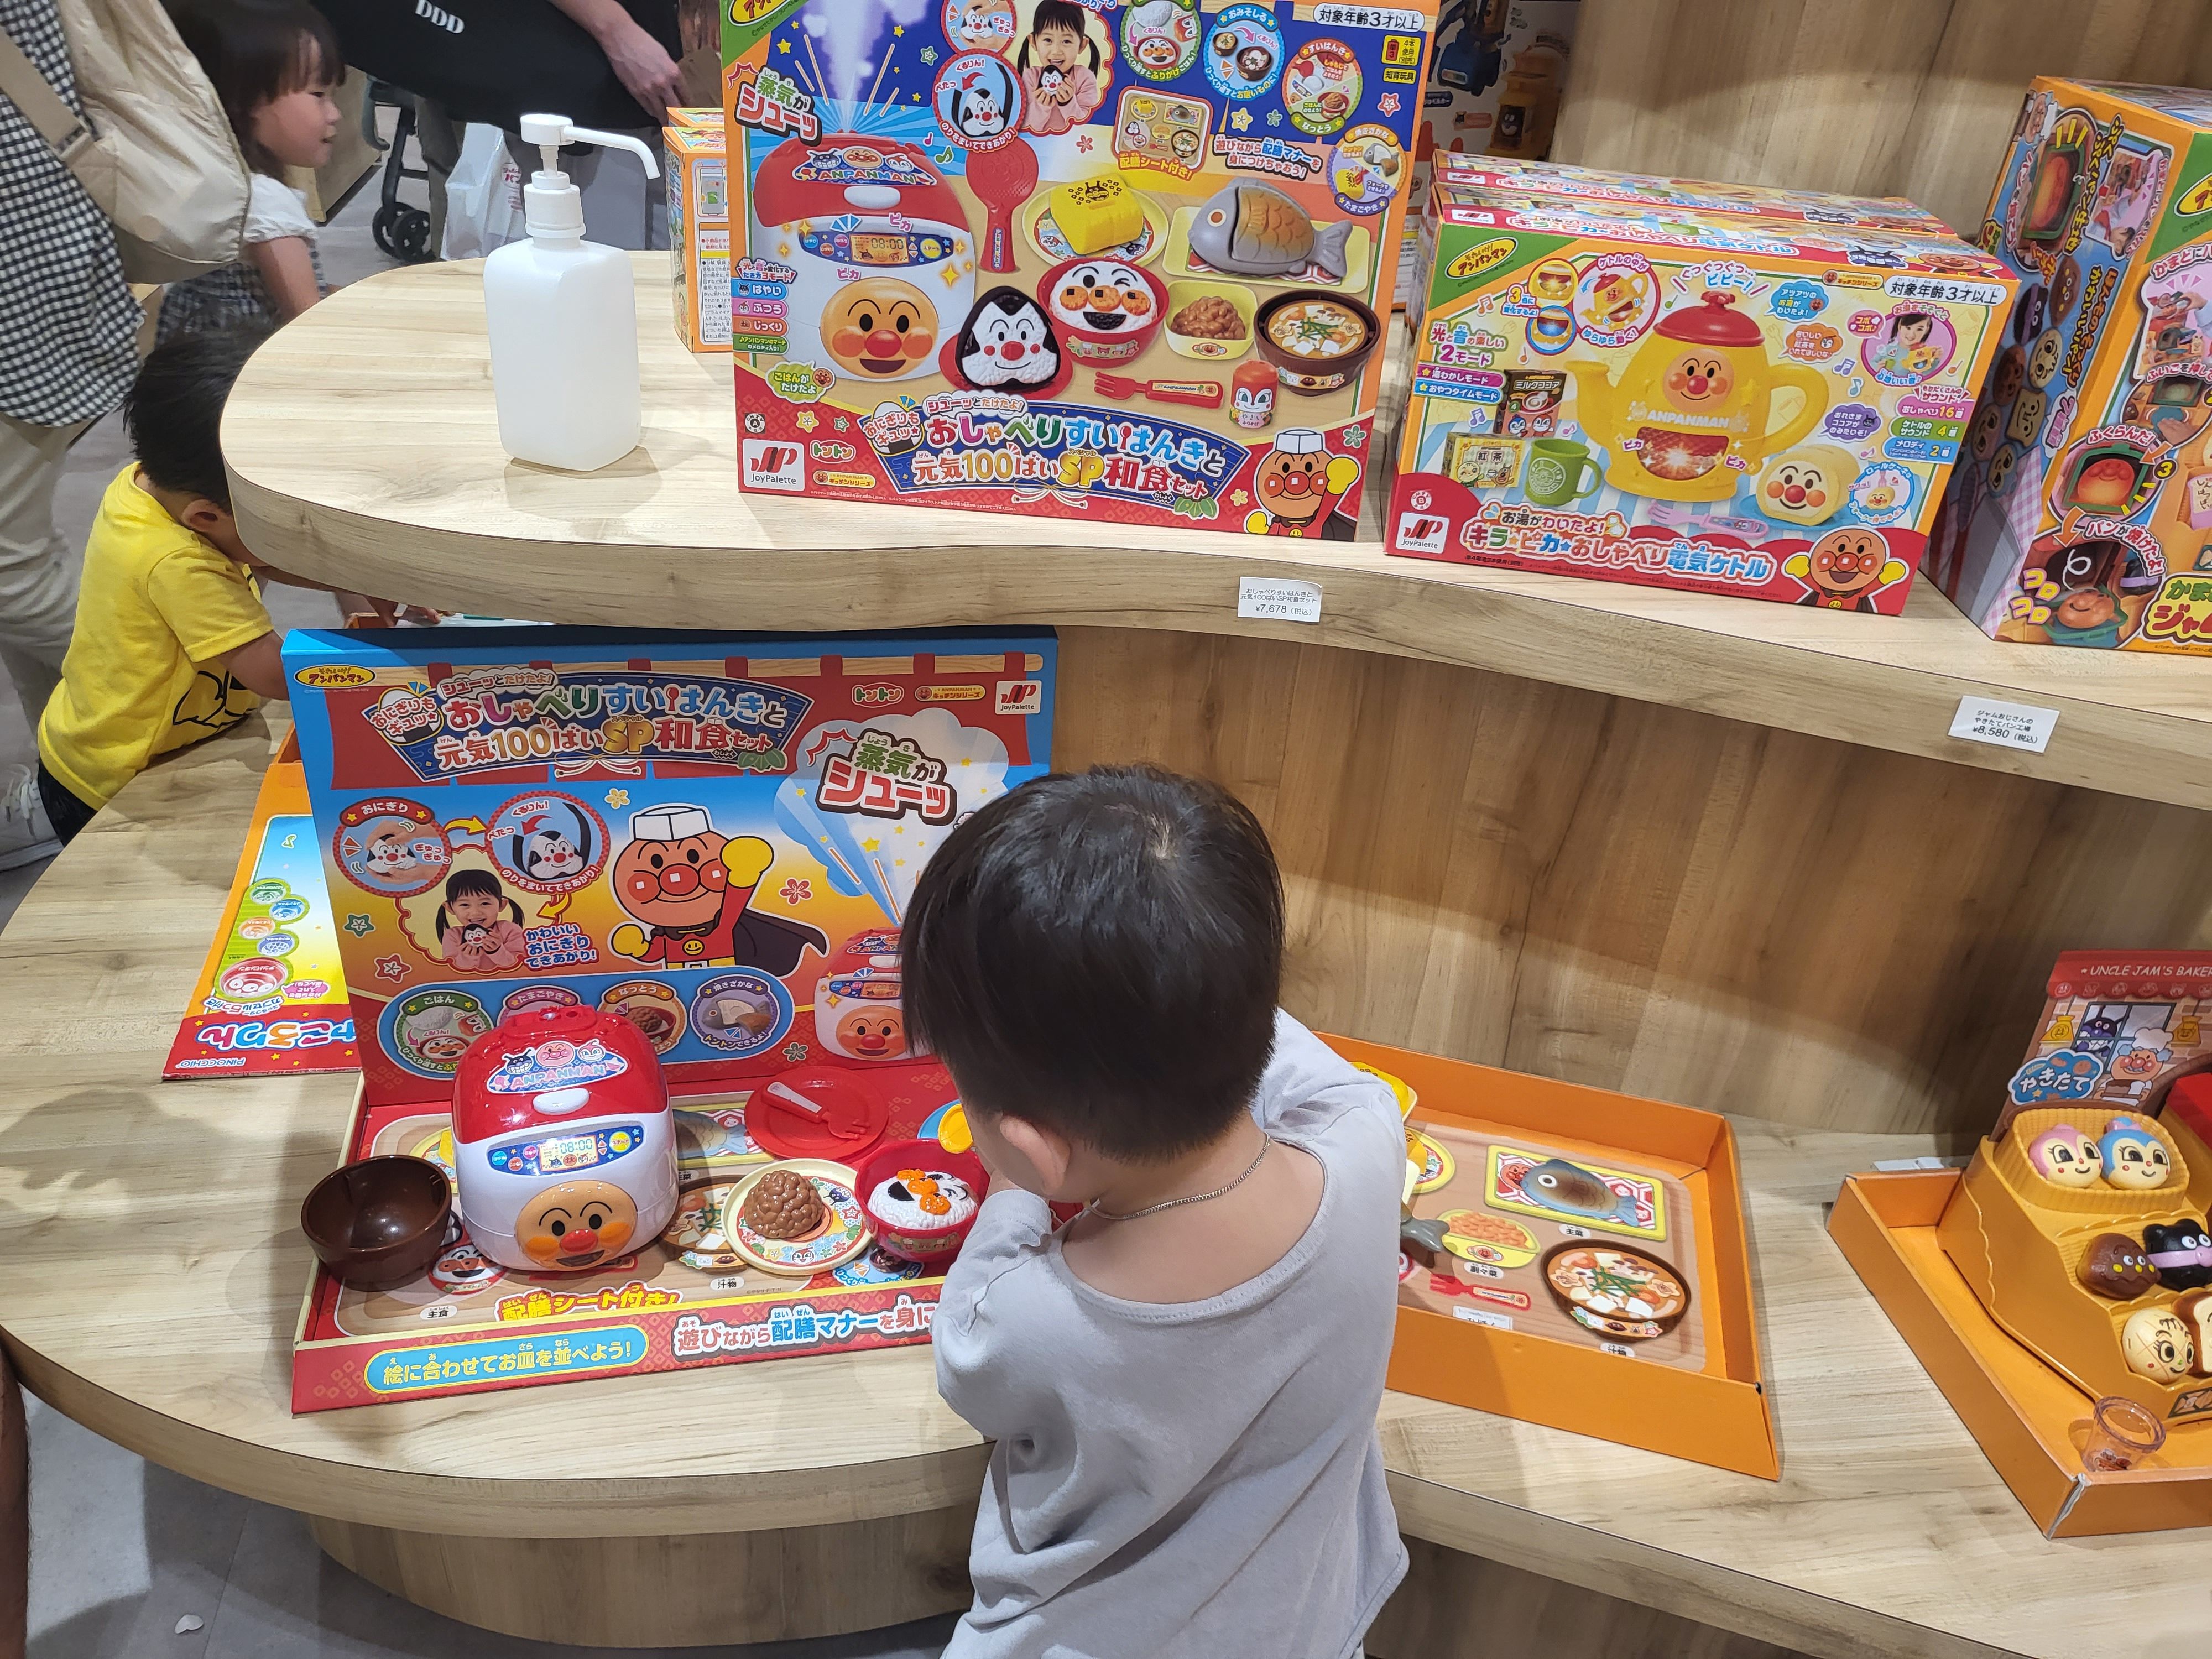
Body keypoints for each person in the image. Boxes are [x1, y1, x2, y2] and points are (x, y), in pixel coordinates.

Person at [903, 766, 1406, 1659]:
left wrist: (1015, 1195)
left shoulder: (1033, 1320)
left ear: (1038, 1150)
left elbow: (965, 1359)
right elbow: (1301, 1060)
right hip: (1308, 1631)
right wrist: (1176, 976)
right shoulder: (1368, 1147)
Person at [0, 326, 404, 860]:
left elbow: (262, 557)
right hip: (115, 778)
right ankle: (40, 824)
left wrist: (358, 579)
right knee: (133, 879)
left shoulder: (151, 487)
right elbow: (270, 672)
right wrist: (383, 667)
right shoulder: (176, 562)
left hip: (149, 732)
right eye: (279, 522)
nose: (291, 535)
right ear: (207, 517)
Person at [0, 0, 143, 796]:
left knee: (10, 568)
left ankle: (154, 708)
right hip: (36, 237)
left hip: (22, 255)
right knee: (19, 553)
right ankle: (78, 776)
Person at [157, 0, 341, 337]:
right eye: (318, 94)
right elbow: (307, 321)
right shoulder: (266, 202)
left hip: (196, 348)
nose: (334, 114)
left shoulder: (211, 179)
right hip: (248, 359)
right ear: (246, 101)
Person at [1016, 0, 1101, 137]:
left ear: (1082, 45)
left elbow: (1088, 128)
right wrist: (1041, 106)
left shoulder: (1085, 78)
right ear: (1034, 42)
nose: (1056, 51)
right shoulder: (1030, 77)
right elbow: (1023, 128)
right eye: (1048, 40)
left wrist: (1068, 103)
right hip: (1037, 145)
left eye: (1066, 41)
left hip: (1072, 146)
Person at [436, 869, 528, 971]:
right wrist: (467, 958)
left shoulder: (511, 930)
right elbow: (450, 971)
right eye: (465, 905)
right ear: (450, 908)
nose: (475, 913)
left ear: (502, 905)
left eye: (485, 904)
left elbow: (521, 966)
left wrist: (497, 951)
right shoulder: (452, 936)